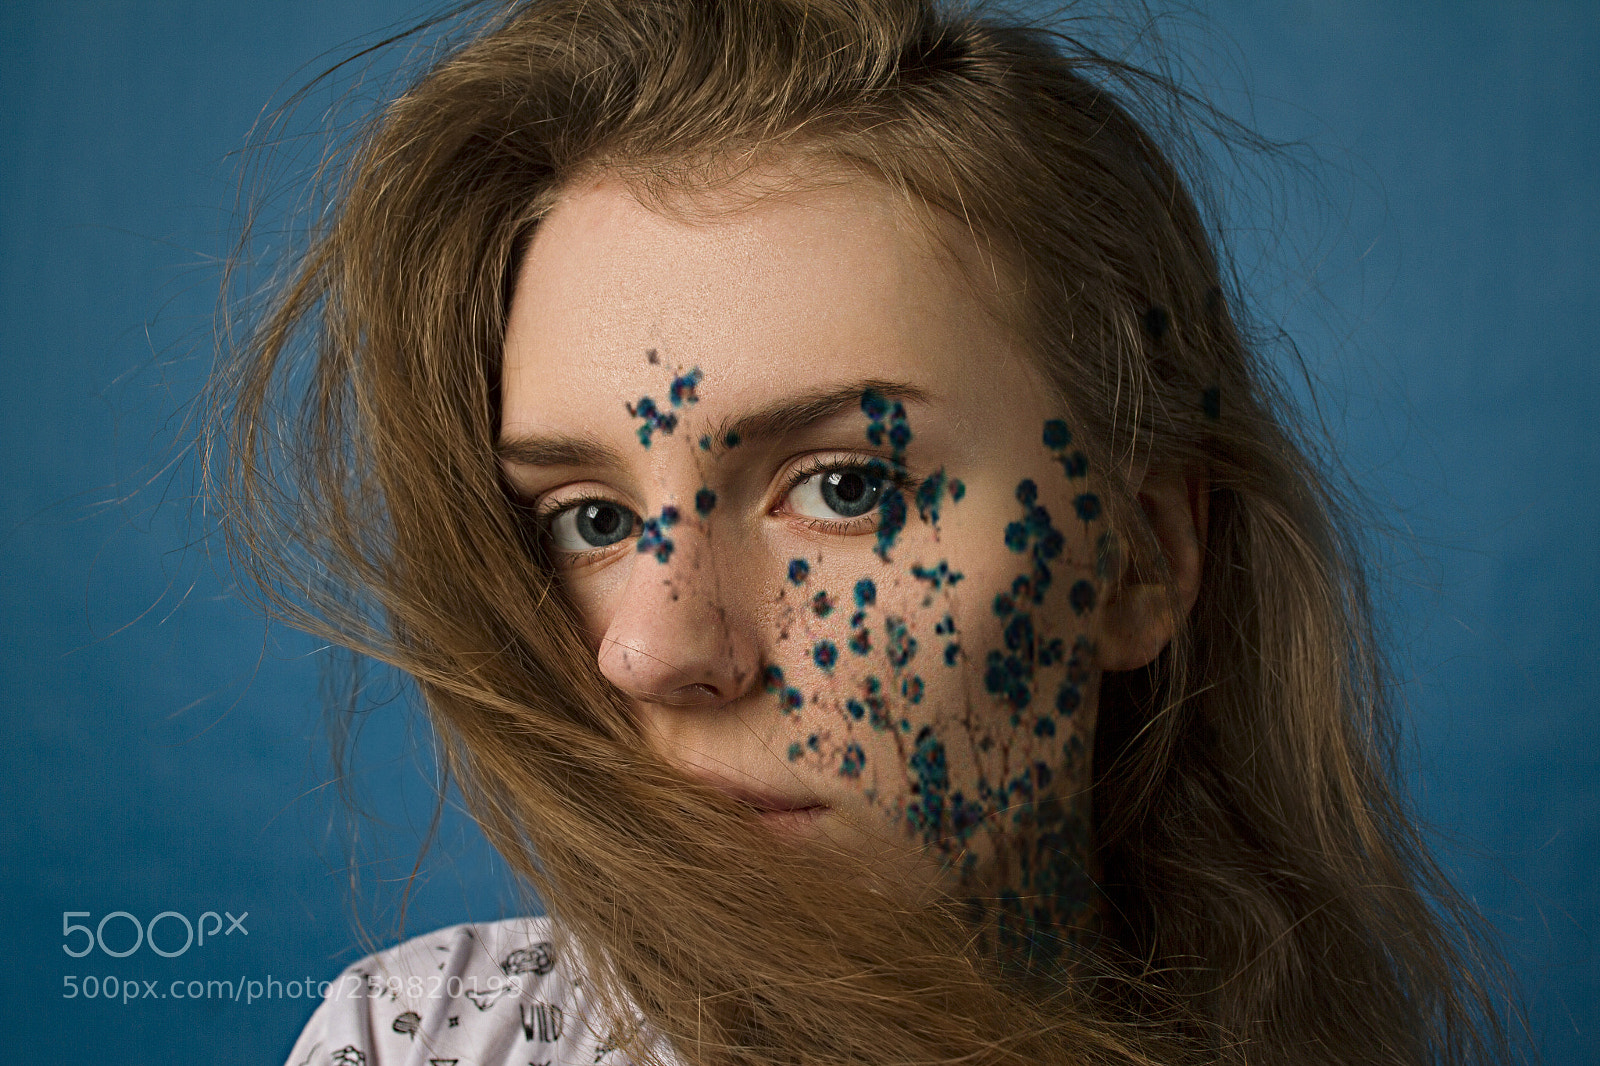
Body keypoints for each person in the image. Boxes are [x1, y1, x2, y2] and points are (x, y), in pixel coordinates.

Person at [213, 1, 1521, 1063]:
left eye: (845, 487)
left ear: (1133, 557)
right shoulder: (425, 1041)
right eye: (595, 518)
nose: (656, 649)